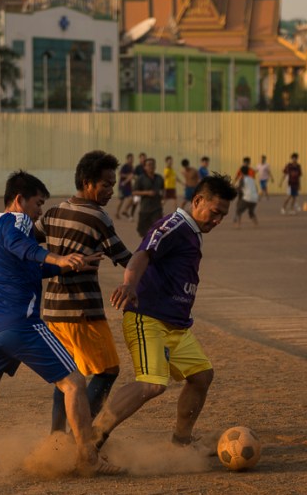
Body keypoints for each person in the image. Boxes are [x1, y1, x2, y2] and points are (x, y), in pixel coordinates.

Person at [0, 171, 121, 476]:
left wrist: (69, 263)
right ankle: (88, 457)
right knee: (75, 382)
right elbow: (26, 249)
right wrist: (57, 258)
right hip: (21, 326)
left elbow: (28, 269)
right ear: (19, 200)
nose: (40, 211)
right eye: (38, 203)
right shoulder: (14, 224)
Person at [91, 173, 238, 456]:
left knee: (201, 376)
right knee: (152, 384)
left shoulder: (192, 231)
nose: (218, 220)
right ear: (197, 201)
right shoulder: (173, 225)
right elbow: (143, 253)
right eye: (215, 212)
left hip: (176, 326)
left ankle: (181, 441)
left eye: (223, 216)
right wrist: (129, 285)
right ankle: (91, 439)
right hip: (148, 318)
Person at [35, 151, 132, 431]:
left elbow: (28, 241)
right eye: (106, 185)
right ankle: (83, 432)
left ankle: (56, 437)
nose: (111, 191)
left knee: (67, 377)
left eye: (113, 185)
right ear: (88, 182)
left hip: (53, 311)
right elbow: (125, 257)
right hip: (82, 313)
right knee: (107, 371)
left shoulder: (54, 212)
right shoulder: (97, 217)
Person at [133, 157, 164, 238]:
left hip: (157, 209)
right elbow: (134, 192)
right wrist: (147, 192)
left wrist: (163, 198)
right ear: (145, 167)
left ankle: (155, 248)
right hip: (145, 209)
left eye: (153, 165)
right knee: (143, 232)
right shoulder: (140, 178)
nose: (151, 166)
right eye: (149, 165)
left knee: (157, 231)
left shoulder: (159, 178)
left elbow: (163, 189)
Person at [233, 157, 259, 228]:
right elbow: (255, 188)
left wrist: (233, 189)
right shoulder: (252, 179)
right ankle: (256, 224)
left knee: (238, 210)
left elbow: (239, 188)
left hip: (247, 198)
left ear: (241, 172)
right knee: (251, 212)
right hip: (254, 199)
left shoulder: (242, 179)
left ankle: (238, 225)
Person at [115, 153, 135, 220]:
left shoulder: (132, 167)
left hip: (128, 187)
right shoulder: (124, 166)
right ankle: (117, 213)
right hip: (122, 186)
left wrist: (132, 177)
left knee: (131, 199)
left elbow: (132, 176)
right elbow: (120, 174)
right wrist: (128, 176)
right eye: (130, 159)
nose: (132, 160)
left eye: (132, 159)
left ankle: (125, 210)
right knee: (121, 200)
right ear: (127, 159)